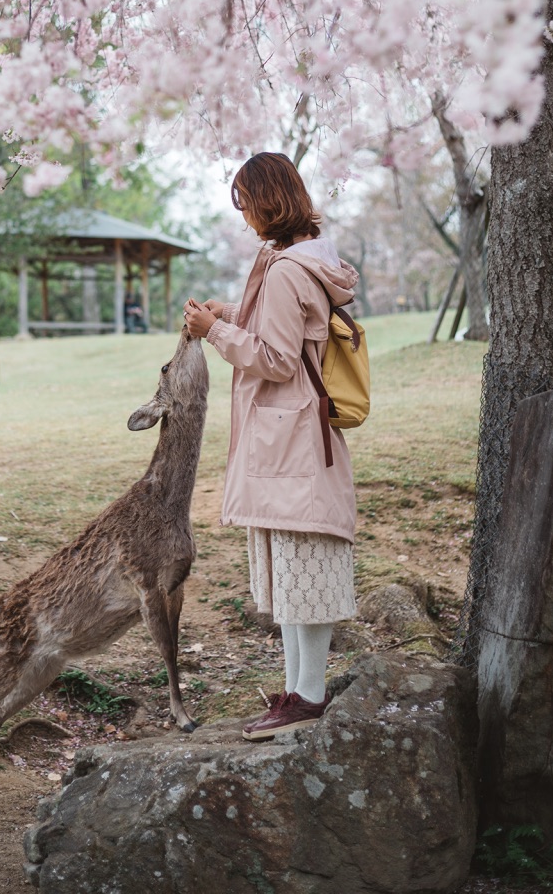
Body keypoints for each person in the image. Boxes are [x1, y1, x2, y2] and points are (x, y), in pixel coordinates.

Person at [183, 152, 358, 740]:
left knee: (304, 569)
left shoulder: (285, 269)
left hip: (292, 440)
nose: (245, 219)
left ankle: (307, 696)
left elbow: (277, 358)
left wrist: (216, 333)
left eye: (246, 205)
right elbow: (280, 329)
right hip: (297, 437)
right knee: (293, 572)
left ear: (266, 201)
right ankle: (296, 691)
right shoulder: (304, 258)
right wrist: (229, 314)